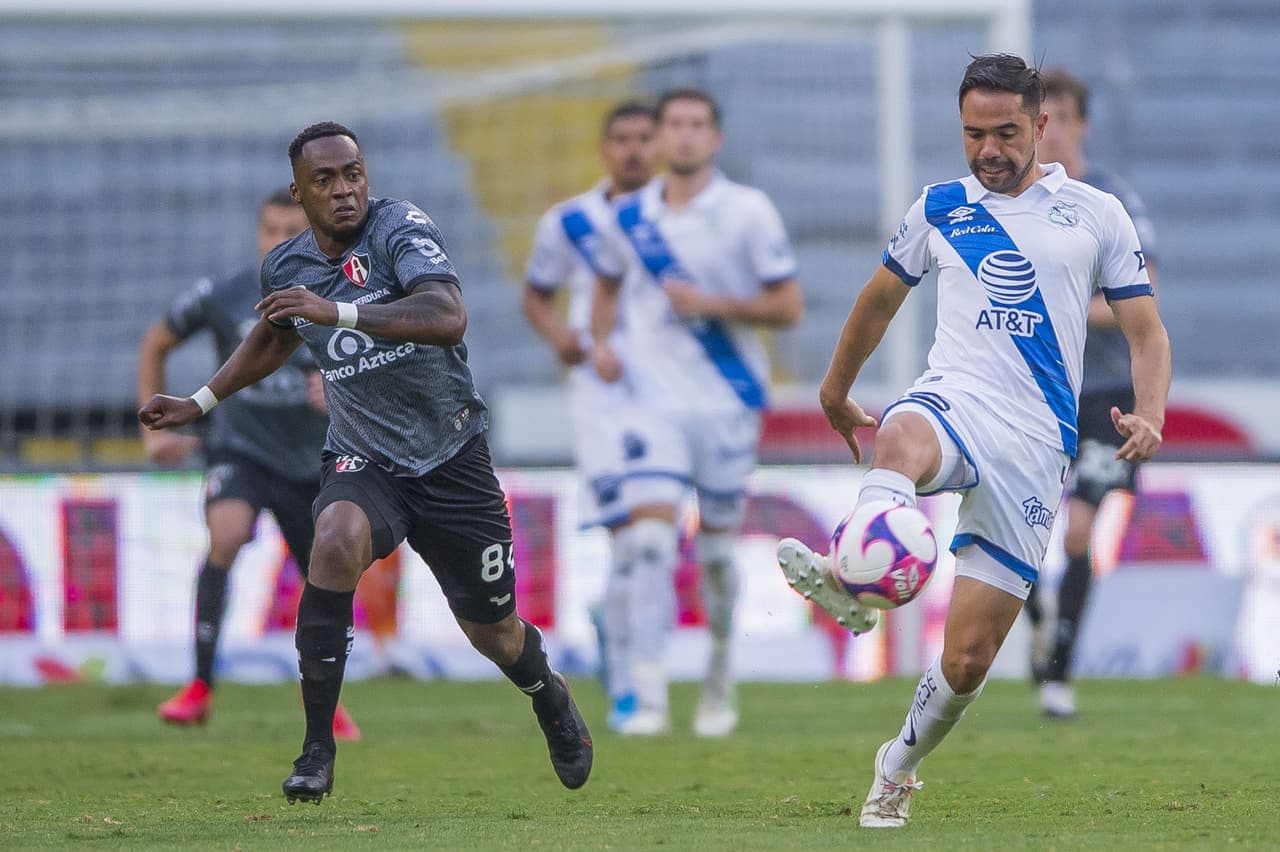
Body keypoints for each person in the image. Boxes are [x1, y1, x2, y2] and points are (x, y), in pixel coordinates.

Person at [139, 122, 592, 804]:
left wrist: (339, 312)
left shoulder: (399, 228)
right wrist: (199, 401)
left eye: (353, 173)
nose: (344, 189)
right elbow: (272, 338)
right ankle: (317, 749)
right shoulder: (287, 267)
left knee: (493, 632)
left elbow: (446, 315)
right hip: (363, 456)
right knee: (334, 540)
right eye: (326, 180)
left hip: (450, 457)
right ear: (301, 193)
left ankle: (547, 694)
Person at [774, 54, 1170, 828]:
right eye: (973, 133)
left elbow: (1147, 331)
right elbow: (877, 299)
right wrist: (832, 388)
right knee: (899, 435)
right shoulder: (939, 207)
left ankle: (898, 765)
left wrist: (1149, 412)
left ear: (1042, 126)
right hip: (954, 400)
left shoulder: (1096, 215)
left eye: (1006, 133)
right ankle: (855, 569)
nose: (988, 149)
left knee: (968, 662)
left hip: (1036, 444)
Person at [591, 88, 804, 737]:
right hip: (652, 405)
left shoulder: (746, 211)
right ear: (656, 140)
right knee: (651, 541)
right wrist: (602, 344)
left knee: (715, 554)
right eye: (673, 125)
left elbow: (788, 305)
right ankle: (648, 693)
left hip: (727, 401)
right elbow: (603, 286)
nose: (683, 137)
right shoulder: (626, 218)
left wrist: (711, 303)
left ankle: (719, 674)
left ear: (715, 138)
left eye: (696, 125)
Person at [138, 189, 360, 742]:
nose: (277, 242)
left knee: (325, 576)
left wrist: (342, 388)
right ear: (257, 234)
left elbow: (379, 366)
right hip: (240, 449)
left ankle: (327, 703)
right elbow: (155, 342)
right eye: (269, 231)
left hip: (314, 461)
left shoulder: (341, 297)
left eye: (292, 232)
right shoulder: (227, 294)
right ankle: (199, 687)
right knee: (226, 536)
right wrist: (151, 430)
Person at [1023, 67, 1160, 719]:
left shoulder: (1109, 197)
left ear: (1082, 124)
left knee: (1078, 531)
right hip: (1029, 390)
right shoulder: (1013, 200)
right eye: (1039, 118)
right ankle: (1034, 614)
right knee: (1017, 523)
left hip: (1103, 390)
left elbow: (1144, 295)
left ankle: (1058, 674)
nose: (1049, 131)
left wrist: (1069, 303)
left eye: (1061, 117)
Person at [521, 100, 659, 728]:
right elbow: (537, 296)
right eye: (622, 139)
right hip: (599, 396)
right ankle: (629, 682)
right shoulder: (570, 221)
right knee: (626, 533)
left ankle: (625, 648)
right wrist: (563, 339)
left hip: (664, 393)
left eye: (643, 139)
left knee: (648, 541)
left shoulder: (678, 217)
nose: (633, 150)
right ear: (605, 149)